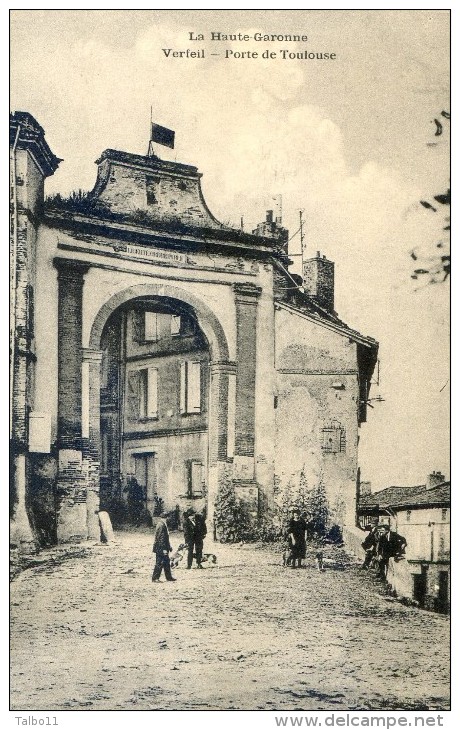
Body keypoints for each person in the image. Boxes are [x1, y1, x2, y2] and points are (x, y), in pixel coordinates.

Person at [152, 511, 176, 582]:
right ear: (166, 517)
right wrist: (164, 549)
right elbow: (161, 538)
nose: (169, 519)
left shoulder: (162, 524)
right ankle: (155, 578)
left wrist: (169, 547)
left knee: (166, 563)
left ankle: (169, 577)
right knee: (159, 563)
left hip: (163, 547)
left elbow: (165, 538)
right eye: (168, 517)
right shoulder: (161, 525)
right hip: (161, 548)